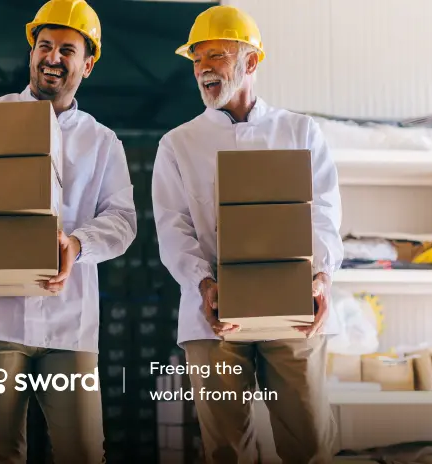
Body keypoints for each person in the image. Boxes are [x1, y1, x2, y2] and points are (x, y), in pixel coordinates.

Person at [0, 1, 136, 462]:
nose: (51, 57)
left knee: (83, 451)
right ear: (31, 52)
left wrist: (77, 244)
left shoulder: (102, 142)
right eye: (44, 45)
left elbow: (122, 221)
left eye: (67, 50)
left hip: (67, 325)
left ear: (88, 64)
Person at [151, 5, 344, 464]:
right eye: (197, 60)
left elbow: (326, 217)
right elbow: (172, 228)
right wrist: (204, 283)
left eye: (215, 56)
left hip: (293, 308)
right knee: (225, 451)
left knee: (310, 442)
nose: (203, 70)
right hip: (211, 316)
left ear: (251, 62)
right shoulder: (177, 144)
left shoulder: (300, 132)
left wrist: (319, 277)